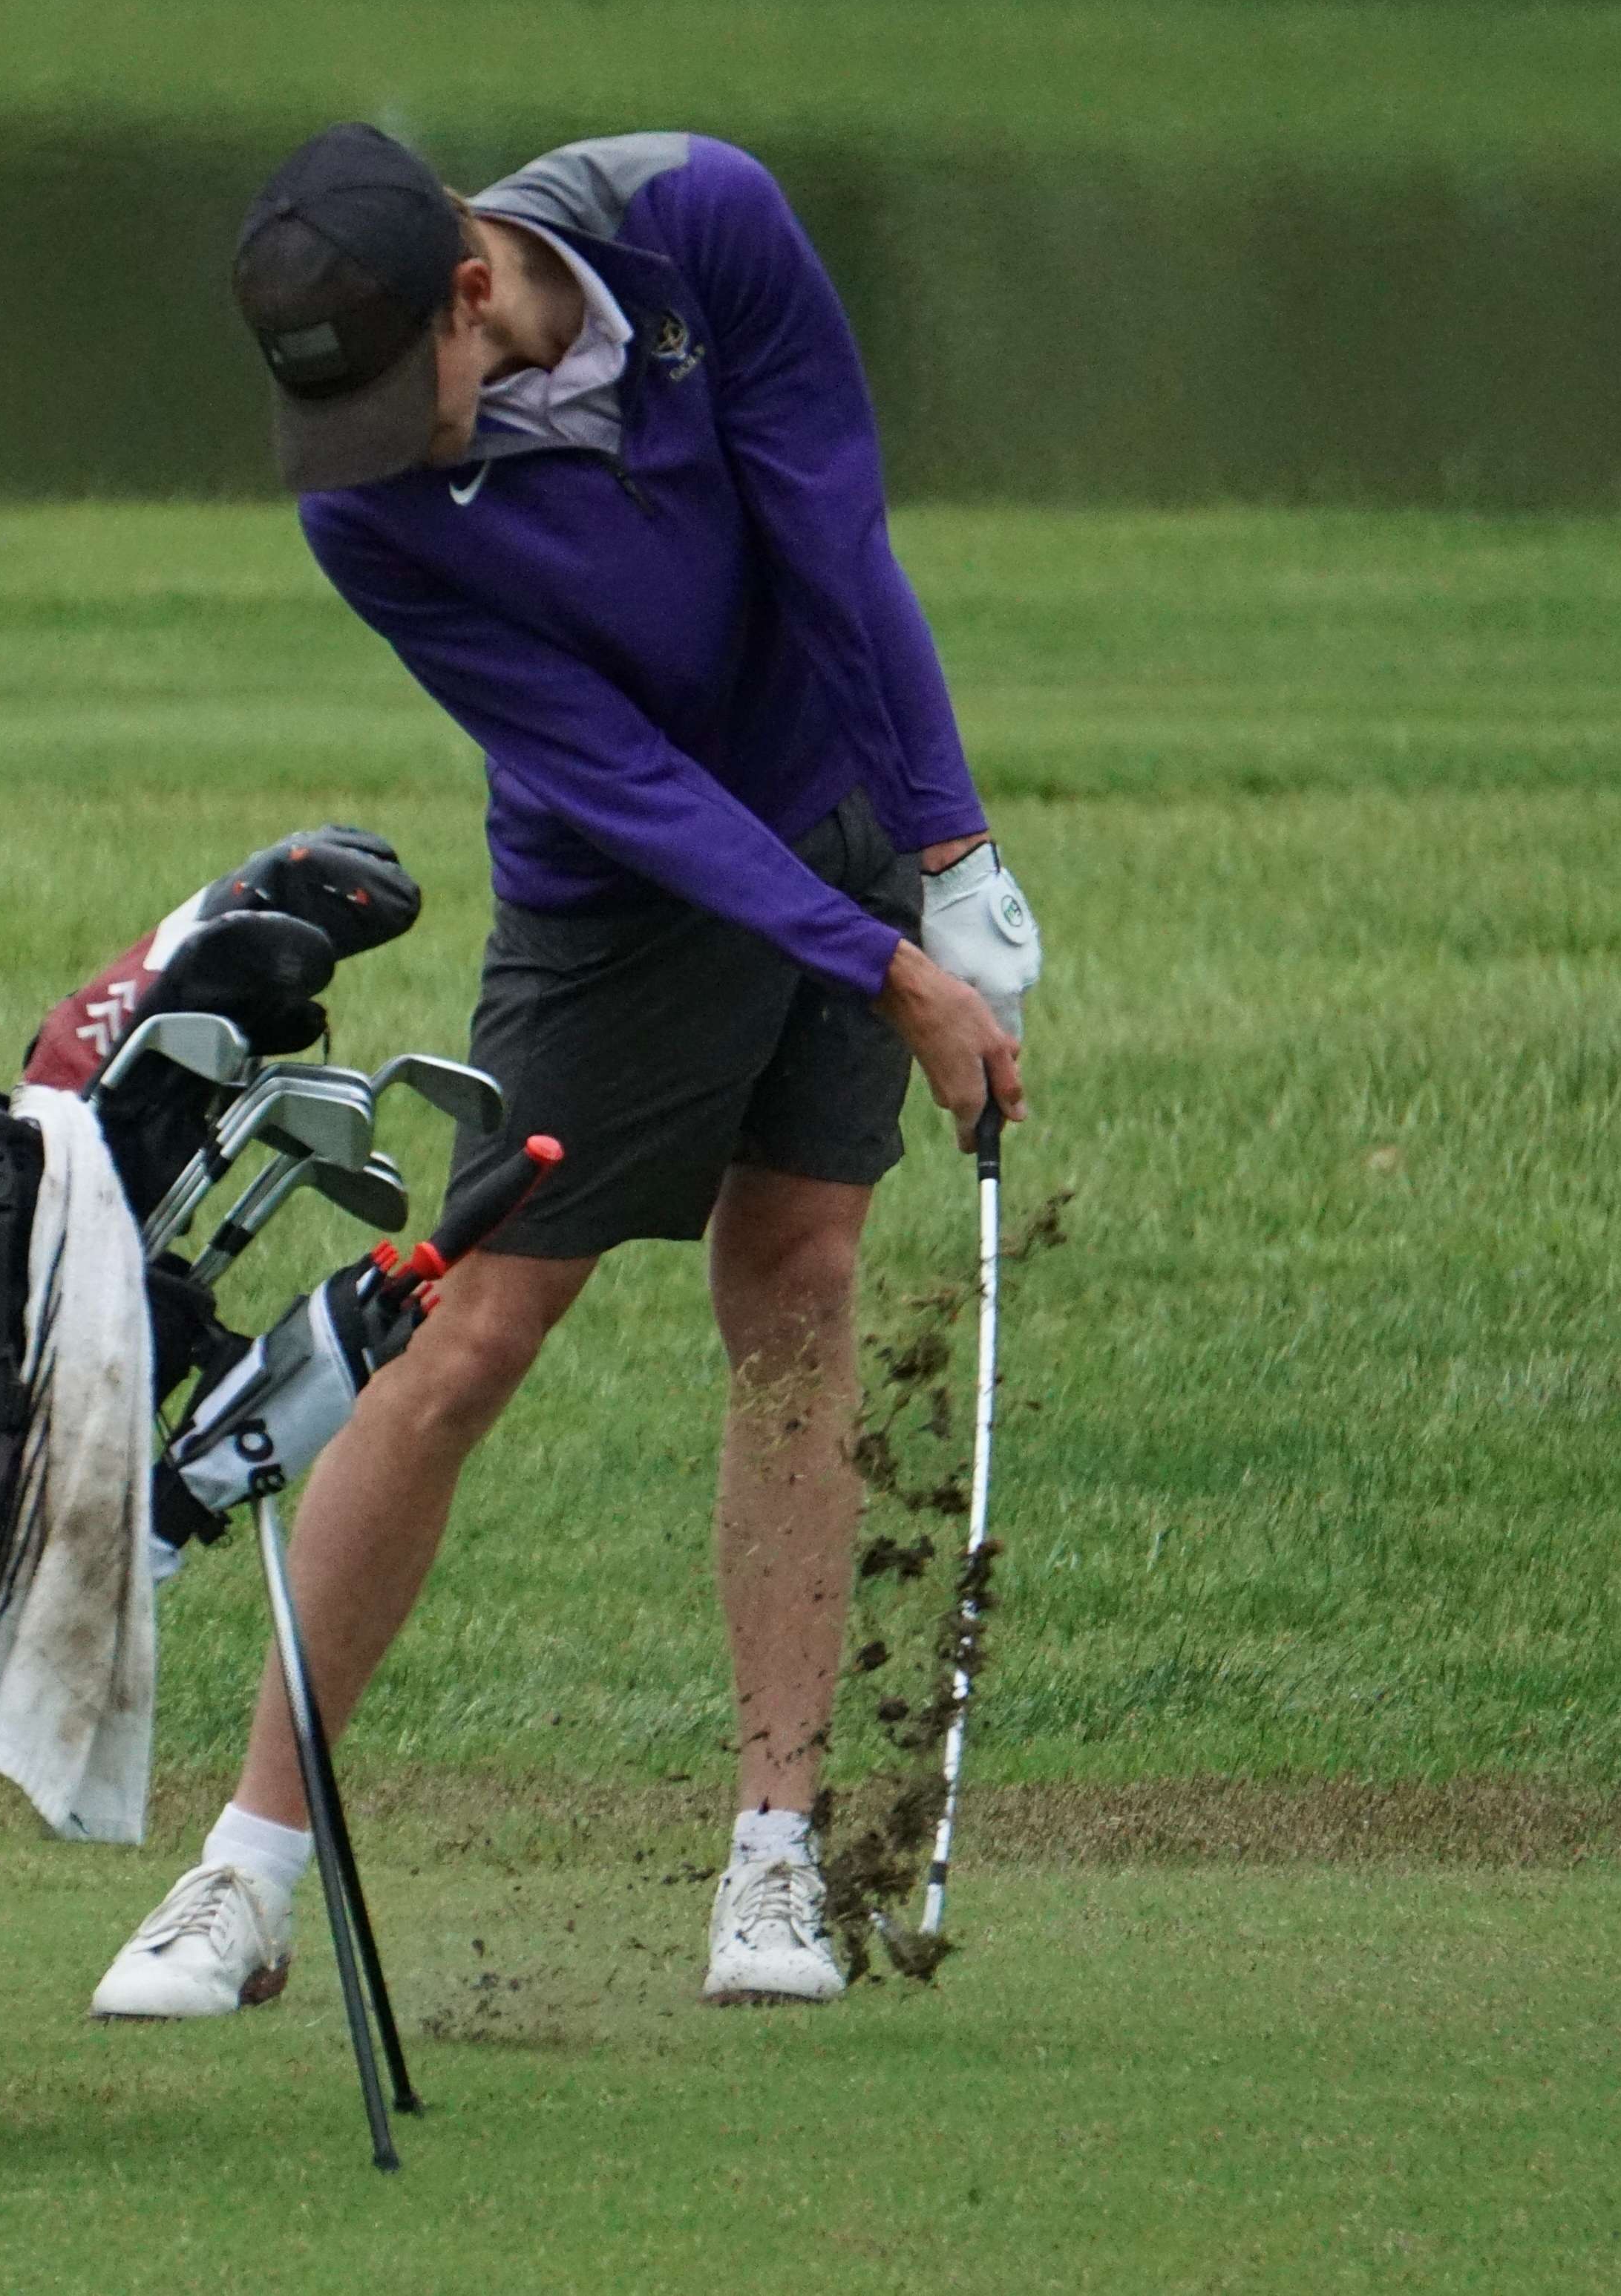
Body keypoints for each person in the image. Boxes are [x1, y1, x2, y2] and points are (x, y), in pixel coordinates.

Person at [91, 125, 1041, 2016]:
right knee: (470, 1328)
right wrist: (882, 971)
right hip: (617, 895)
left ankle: (772, 1863)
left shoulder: (699, 223)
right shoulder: (365, 508)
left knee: (798, 1290)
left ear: (471, 290)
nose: (380, 448)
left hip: (840, 807)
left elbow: (827, 528)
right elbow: (615, 778)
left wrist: (946, 856)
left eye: (395, 394)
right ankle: (247, 1871)